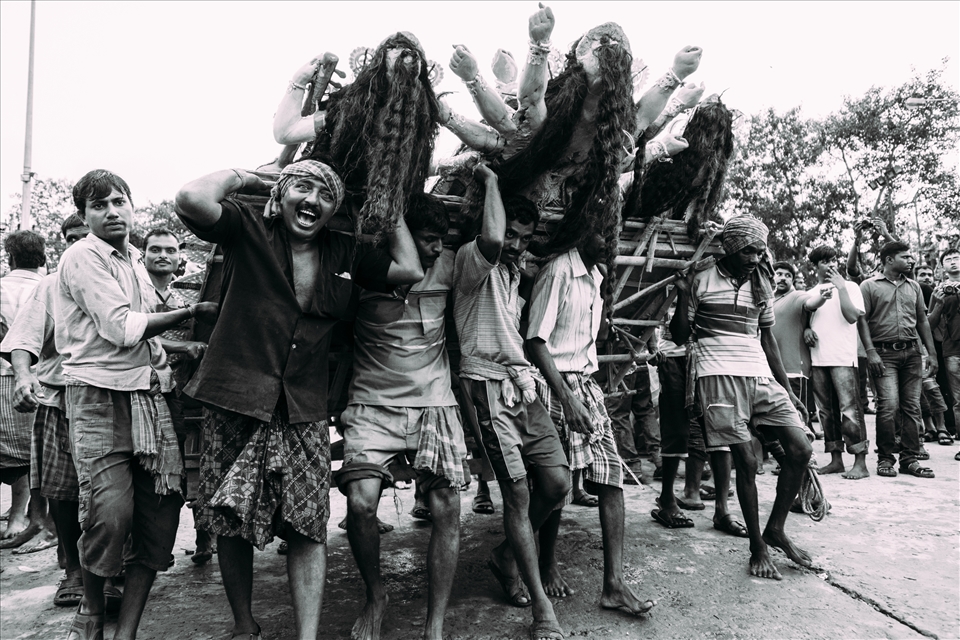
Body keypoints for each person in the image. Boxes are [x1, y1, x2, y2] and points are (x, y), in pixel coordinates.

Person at [175, 160, 422, 640]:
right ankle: (245, 625)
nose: (312, 201)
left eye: (324, 195)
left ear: (335, 210)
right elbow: (190, 199)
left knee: (308, 522)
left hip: (303, 404)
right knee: (230, 518)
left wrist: (387, 205)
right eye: (302, 189)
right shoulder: (247, 229)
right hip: (235, 396)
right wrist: (248, 178)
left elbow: (408, 268)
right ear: (279, 196)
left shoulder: (346, 252)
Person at [57, 169, 217, 640]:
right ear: (85, 216)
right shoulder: (83, 256)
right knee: (109, 515)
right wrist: (190, 313)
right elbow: (122, 328)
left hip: (151, 397)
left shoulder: (132, 259)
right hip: (98, 398)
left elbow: (151, 338)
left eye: (119, 202)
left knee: (160, 516)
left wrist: (183, 347)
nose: (112, 212)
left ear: (131, 205)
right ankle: (90, 610)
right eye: (99, 205)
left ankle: (125, 630)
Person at [334, 193, 464, 640]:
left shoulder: (449, 265)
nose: (435, 249)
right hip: (372, 406)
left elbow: (495, 243)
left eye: (440, 240)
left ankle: (435, 624)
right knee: (360, 503)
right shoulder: (364, 266)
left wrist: (487, 180)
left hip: (434, 404)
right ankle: (376, 596)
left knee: (447, 506)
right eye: (428, 239)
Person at [454, 163, 569, 640]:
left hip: (520, 387)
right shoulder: (471, 260)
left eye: (527, 235)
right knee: (518, 494)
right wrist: (493, 182)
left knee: (559, 483)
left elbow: (514, 251)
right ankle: (541, 609)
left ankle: (505, 555)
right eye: (513, 233)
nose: (517, 243)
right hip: (486, 385)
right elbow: (495, 240)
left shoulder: (514, 274)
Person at [672, 215, 813, 581]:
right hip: (716, 376)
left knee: (801, 449)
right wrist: (684, 293)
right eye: (749, 249)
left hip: (760, 377)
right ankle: (757, 546)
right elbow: (678, 334)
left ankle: (775, 529)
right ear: (732, 246)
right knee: (747, 462)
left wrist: (787, 390)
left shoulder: (761, 284)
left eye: (760, 250)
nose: (756, 256)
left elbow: (767, 340)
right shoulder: (701, 277)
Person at [526, 232, 656, 616]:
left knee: (611, 475)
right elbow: (534, 341)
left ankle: (614, 585)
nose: (610, 240)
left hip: (585, 383)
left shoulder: (597, 274)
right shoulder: (558, 271)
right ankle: (545, 563)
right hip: (553, 383)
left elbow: (589, 337)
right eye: (603, 232)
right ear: (582, 229)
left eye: (614, 233)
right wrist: (566, 400)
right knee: (556, 482)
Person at [0, 217, 125, 610]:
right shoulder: (49, 285)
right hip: (61, 397)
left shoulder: (125, 276)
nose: (80, 248)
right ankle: (73, 569)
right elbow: (23, 339)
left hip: (117, 396)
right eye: (72, 240)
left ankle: (114, 570)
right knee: (64, 494)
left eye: (85, 240)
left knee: (116, 495)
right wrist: (23, 376)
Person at [274, 32, 441, 236]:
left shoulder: (421, 121)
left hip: (383, 224)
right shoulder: (348, 109)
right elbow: (286, 132)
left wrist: (451, 164)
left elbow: (419, 166)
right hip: (329, 212)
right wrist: (300, 80)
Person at [141, 227, 216, 564]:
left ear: (180, 258)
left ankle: (204, 537)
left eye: (170, 251)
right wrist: (184, 345)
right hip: (149, 390)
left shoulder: (185, 299)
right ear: (142, 255)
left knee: (199, 463)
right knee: (162, 469)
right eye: (155, 249)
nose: (163, 256)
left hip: (185, 391)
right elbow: (142, 334)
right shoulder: (139, 295)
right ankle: (154, 548)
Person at [858, 241, 938, 479]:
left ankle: (909, 460)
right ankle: (885, 459)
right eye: (905, 256)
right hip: (883, 353)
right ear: (889, 260)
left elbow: (922, 320)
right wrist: (870, 351)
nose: (910, 260)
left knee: (912, 407)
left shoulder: (914, 286)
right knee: (888, 406)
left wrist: (930, 353)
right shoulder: (868, 286)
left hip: (912, 352)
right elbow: (862, 320)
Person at [802, 246, 869, 479]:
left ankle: (860, 462)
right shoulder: (810, 293)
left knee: (850, 410)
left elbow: (852, 317)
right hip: (818, 358)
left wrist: (841, 288)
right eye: (825, 261)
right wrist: (807, 329)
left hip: (843, 358)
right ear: (816, 266)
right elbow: (805, 321)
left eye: (834, 260)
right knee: (825, 413)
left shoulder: (850, 287)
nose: (831, 265)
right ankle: (836, 460)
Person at [0, 230, 46, 550]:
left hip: (5, 373)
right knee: (29, 449)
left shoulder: (1, 287)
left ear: (10, 257)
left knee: (9, 449)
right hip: (41, 376)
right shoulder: (50, 287)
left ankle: (18, 516)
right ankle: (21, 514)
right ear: (42, 258)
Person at [771, 261, 815, 439]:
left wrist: (823, 296)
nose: (782, 278)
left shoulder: (798, 295)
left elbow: (811, 303)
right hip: (769, 370)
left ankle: (807, 463)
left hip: (793, 371)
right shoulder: (767, 299)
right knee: (775, 418)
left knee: (797, 419)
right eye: (779, 273)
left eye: (787, 275)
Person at [927, 249, 960, 458]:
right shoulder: (939, 290)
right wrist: (939, 303)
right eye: (948, 260)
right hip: (953, 350)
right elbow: (929, 323)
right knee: (958, 400)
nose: (953, 262)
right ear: (942, 267)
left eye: (956, 258)